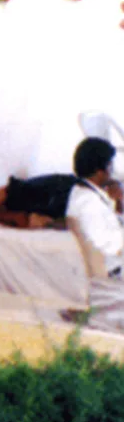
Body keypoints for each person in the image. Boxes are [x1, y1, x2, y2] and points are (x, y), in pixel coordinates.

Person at [65, 137, 124, 329]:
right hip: (113, 270)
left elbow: (111, 227)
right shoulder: (87, 202)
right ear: (101, 171)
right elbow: (106, 244)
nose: (112, 171)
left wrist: (118, 203)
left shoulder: (88, 194)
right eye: (110, 165)